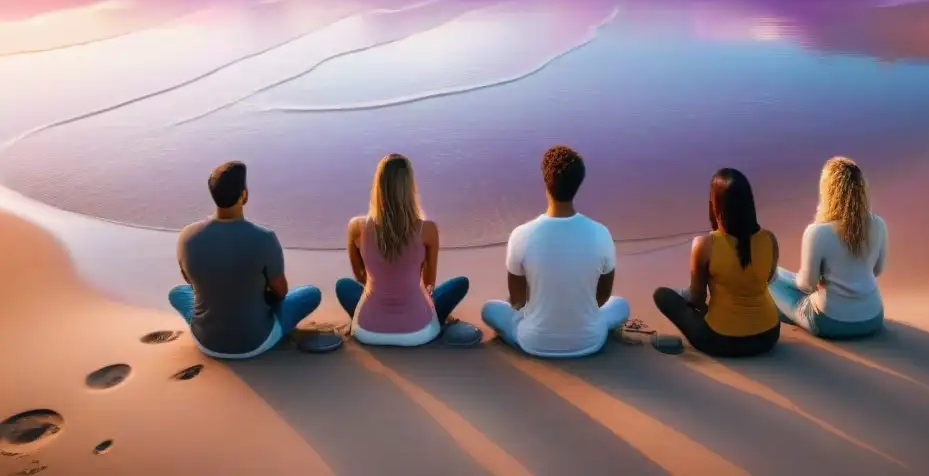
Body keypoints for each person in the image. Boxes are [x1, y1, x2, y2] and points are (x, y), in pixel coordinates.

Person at [481, 145, 629, 358]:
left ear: (545, 182)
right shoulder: (601, 233)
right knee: (621, 304)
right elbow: (603, 296)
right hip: (590, 339)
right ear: (579, 183)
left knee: (489, 309)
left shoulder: (521, 235)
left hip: (534, 341)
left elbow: (517, 300)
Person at [170, 161, 322, 359]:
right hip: (256, 341)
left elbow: (189, 282)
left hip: (205, 340)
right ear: (244, 195)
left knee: (177, 293)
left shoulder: (186, 236)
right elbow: (281, 291)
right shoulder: (264, 238)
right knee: (311, 294)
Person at [335, 154, 469, 346]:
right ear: (410, 188)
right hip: (418, 333)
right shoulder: (427, 230)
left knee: (344, 285)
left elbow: (360, 276)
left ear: (378, 187)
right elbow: (429, 283)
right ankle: (438, 322)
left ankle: (370, 314)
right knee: (459, 284)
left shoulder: (357, 227)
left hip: (366, 331)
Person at [653, 168, 780, 357]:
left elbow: (697, 297)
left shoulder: (705, 245)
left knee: (662, 295)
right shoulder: (769, 239)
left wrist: (696, 305)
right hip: (769, 335)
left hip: (721, 340)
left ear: (716, 206)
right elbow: (767, 279)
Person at [769, 157, 887, 339]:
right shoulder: (878, 224)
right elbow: (877, 270)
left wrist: (812, 281)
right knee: (779, 273)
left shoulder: (818, 232)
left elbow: (806, 285)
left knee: (768, 279)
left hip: (829, 321)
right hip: (873, 318)